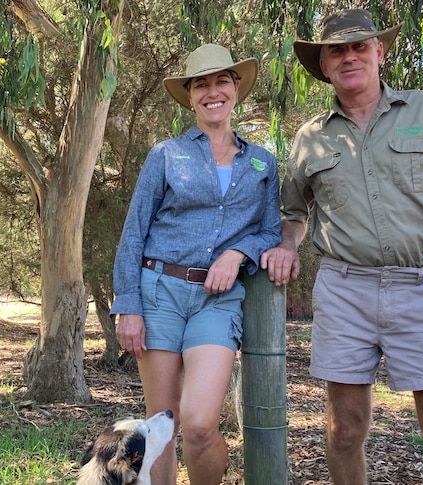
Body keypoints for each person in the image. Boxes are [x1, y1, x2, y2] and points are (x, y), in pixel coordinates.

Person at [264, 9, 423, 485]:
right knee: (343, 430)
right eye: (336, 50)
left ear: (380, 53)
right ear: (323, 66)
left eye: (360, 46)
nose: (349, 56)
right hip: (344, 290)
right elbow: (294, 212)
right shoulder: (310, 137)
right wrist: (287, 245)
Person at [111, 43, 283, 484]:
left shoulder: (263, 162)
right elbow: (134, 232)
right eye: (200, 84)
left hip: (217, 299)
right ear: (189, 96)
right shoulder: (166, 154)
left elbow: (270, 232)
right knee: (162, 428)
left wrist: (236, 252)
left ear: (236, 88)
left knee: (202, 422)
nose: (212, 91)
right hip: (158, 292)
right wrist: (127, 305)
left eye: (221, 80)